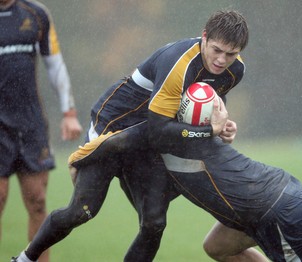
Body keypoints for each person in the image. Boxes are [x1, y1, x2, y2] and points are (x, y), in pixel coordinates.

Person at [11, 10, 258, 262]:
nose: (221, 60)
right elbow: (159, 129)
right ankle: (24, 259)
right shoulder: (177, 64)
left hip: (147, 140)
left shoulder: (234, 71)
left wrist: (222, 123)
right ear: (204, 37)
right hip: (113, 130)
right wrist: (209, 131)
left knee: (154, 224)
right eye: (216, 50)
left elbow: (209, 103)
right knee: (81, 212)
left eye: (231, 53)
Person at [148, 97, 302, 261]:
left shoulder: (176, 137)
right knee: (217, 246)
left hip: (275, 209)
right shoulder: (180, 136)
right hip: (275, 198)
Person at [0, 0, 82, 261]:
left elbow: (55, 64)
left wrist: (68, 113)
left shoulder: (36, 14)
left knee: (37, 201)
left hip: (30, 124)